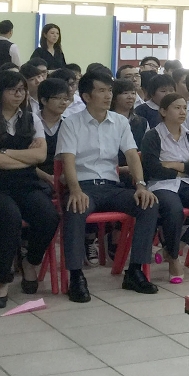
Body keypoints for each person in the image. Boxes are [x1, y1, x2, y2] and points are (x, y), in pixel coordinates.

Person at [57, 72, 160, 302]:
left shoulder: (120, 122)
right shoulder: (71, 123)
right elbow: (68, 161)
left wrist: (141, 186)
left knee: (148, 205)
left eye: (109, 91)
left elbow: (132, 155)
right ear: (86, 96)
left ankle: (134, 270)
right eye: (101, 91)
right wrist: (74, 190)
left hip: (112, 186)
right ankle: (75, 276)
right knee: (75, 208)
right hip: (83, 186)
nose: (107, 95)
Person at [0, 71, 56, 309]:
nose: (19, 94)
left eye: (22, 89)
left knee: (49, 216)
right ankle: (2, 282)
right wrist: (24, 158)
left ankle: (30, 262)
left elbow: (41, 155)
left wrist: (7, 153)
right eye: (13, 90)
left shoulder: (31, 118)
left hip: (25, 185)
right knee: (9, 217)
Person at [139, 93, 189, 284]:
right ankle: (174, 260)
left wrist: (172, 165)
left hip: (186, 182)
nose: (182, 112)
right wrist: (184, 165)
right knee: (173, 209)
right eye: (177, 108)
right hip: (160, 184)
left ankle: (174, 248)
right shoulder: (152, 136)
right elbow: (152, 168)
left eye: (184, 107)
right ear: (163, 111)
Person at [111, 78, 149, 147]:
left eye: (133, 93)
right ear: (114, 97)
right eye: (125, 93)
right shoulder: (107, 120)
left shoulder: (142, 122)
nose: (130, 97)